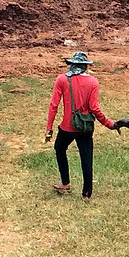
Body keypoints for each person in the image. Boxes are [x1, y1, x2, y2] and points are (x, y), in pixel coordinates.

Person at [45, 51, 116, 200]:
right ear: (85, 66)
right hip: (85, 127)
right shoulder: (93, 82)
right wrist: (108, 123)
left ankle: (65, 182)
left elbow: (53, 105)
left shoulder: (62, 79)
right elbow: (94, 107)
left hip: (67, 127)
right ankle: (86, 194)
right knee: (86, 158)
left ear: (72, 64)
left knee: (59, 148)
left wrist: (49, 128)